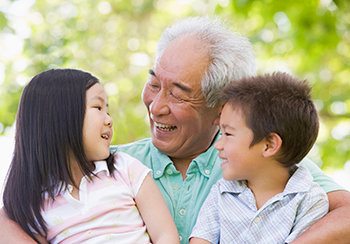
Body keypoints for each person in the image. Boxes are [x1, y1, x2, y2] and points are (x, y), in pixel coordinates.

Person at [1, 16, 350, 244]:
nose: (156, 106)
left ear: (221, 110)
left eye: (178, 94)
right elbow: (15, 210)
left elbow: (345, 212)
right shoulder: (115, 165)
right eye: (154, 83)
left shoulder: (253, 163)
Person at [1, 69, 179, 244]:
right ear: (62, 118)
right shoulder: (35, 206)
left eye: (107, 110)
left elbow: (165, 235)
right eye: (98, 107)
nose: (109, 120)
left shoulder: (125, 168)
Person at [189, 72, 329, 244]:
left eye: (228, 134)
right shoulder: (221, 192)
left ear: (269, 145)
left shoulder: (310, 201)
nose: (218, 145)